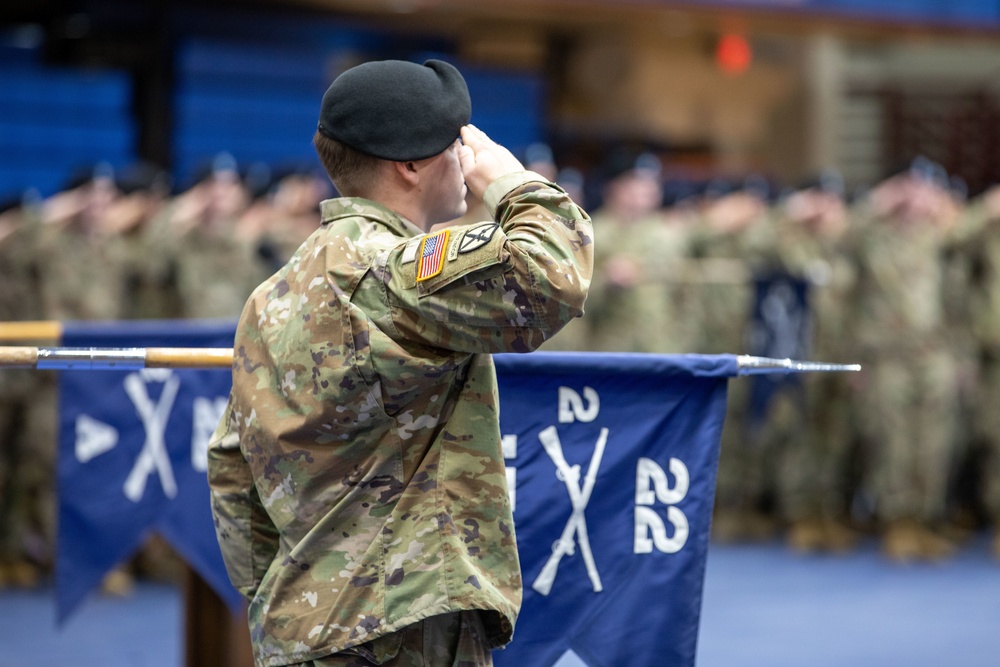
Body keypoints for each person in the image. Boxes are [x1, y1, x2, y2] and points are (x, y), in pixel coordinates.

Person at [206, 58, 594, 667]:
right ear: (410, 164)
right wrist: (513, 183)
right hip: (400, 626)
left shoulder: (272, 294)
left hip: (304, 628)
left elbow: (232, 464)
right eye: (457, 141)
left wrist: (291, 598)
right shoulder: (397, 268)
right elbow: (552, 276)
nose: (468, 155)